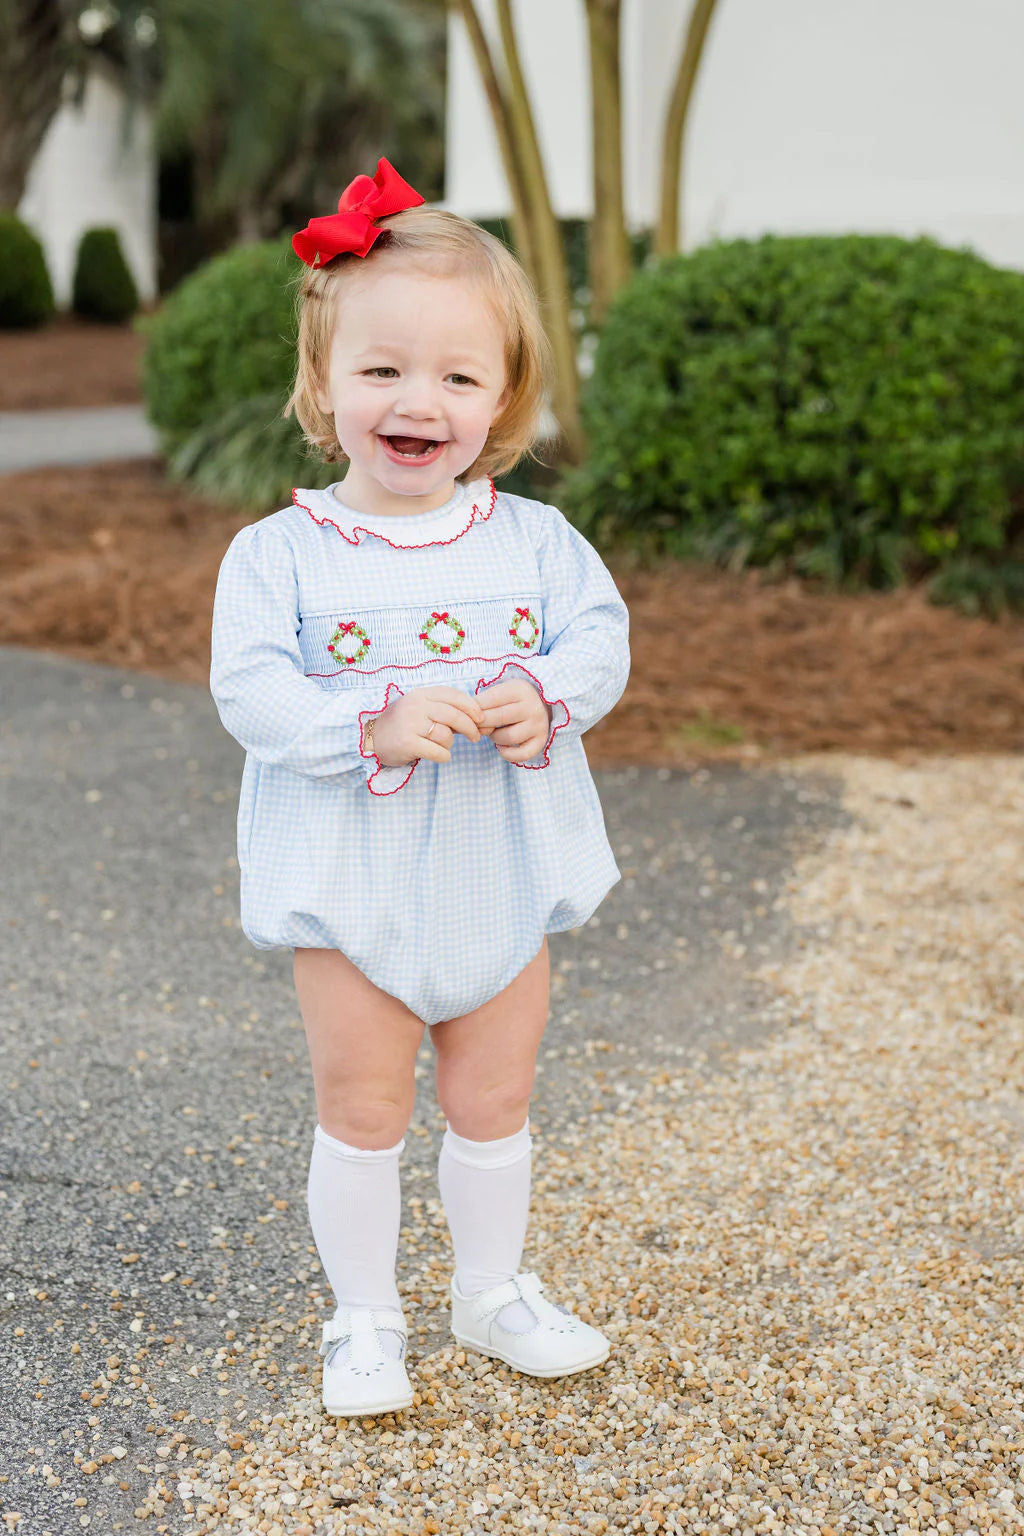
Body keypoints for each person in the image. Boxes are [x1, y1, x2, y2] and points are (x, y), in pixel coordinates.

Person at [209, 157, 631, 1418]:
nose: (417, 401)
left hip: (498, 867)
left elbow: (599, 639)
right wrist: (370, 723)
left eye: (457, 377)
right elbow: (250, 691)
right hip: (354, 884)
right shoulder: (280, 555)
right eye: (382, 369)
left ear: (502, 398)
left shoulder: (536, 542)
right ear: (323, 385)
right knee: (362, 1103)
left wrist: (547, 695)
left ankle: (489, 1292)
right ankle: (365, 1317)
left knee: (494, 1099)